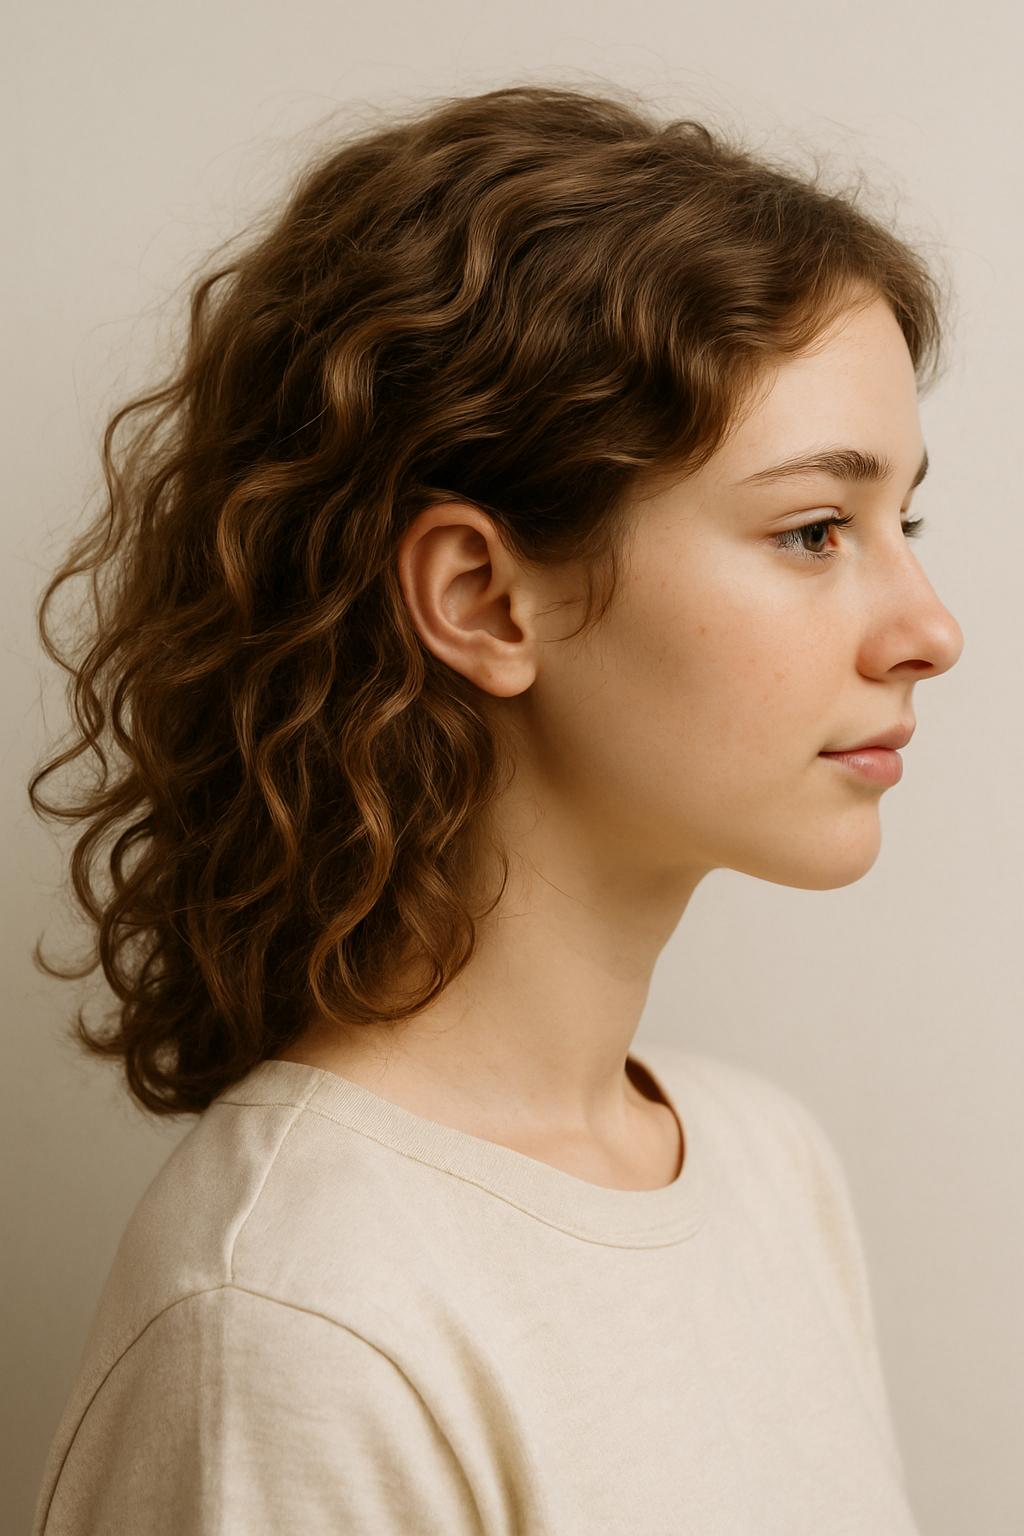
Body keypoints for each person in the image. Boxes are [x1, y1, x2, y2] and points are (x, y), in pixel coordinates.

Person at [29, 85, 962, 1534]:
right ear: (480, 596)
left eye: (908, 522)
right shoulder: (292, 1321)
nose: (928, 627)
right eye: (814, 531)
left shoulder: (770, 1168)